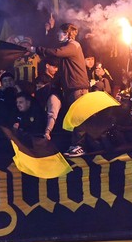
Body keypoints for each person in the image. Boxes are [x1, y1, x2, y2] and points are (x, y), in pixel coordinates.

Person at [32, 23, 90, 157]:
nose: (58, 35)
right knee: (74, 118)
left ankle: (80, 146)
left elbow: (57, 52)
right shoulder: (67, 48)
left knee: (78, 117)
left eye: (61, 32)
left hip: (78, 88)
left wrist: (37, 49)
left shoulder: (74, 45)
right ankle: (76, 144)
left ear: (68, 33)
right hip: (72, 88)